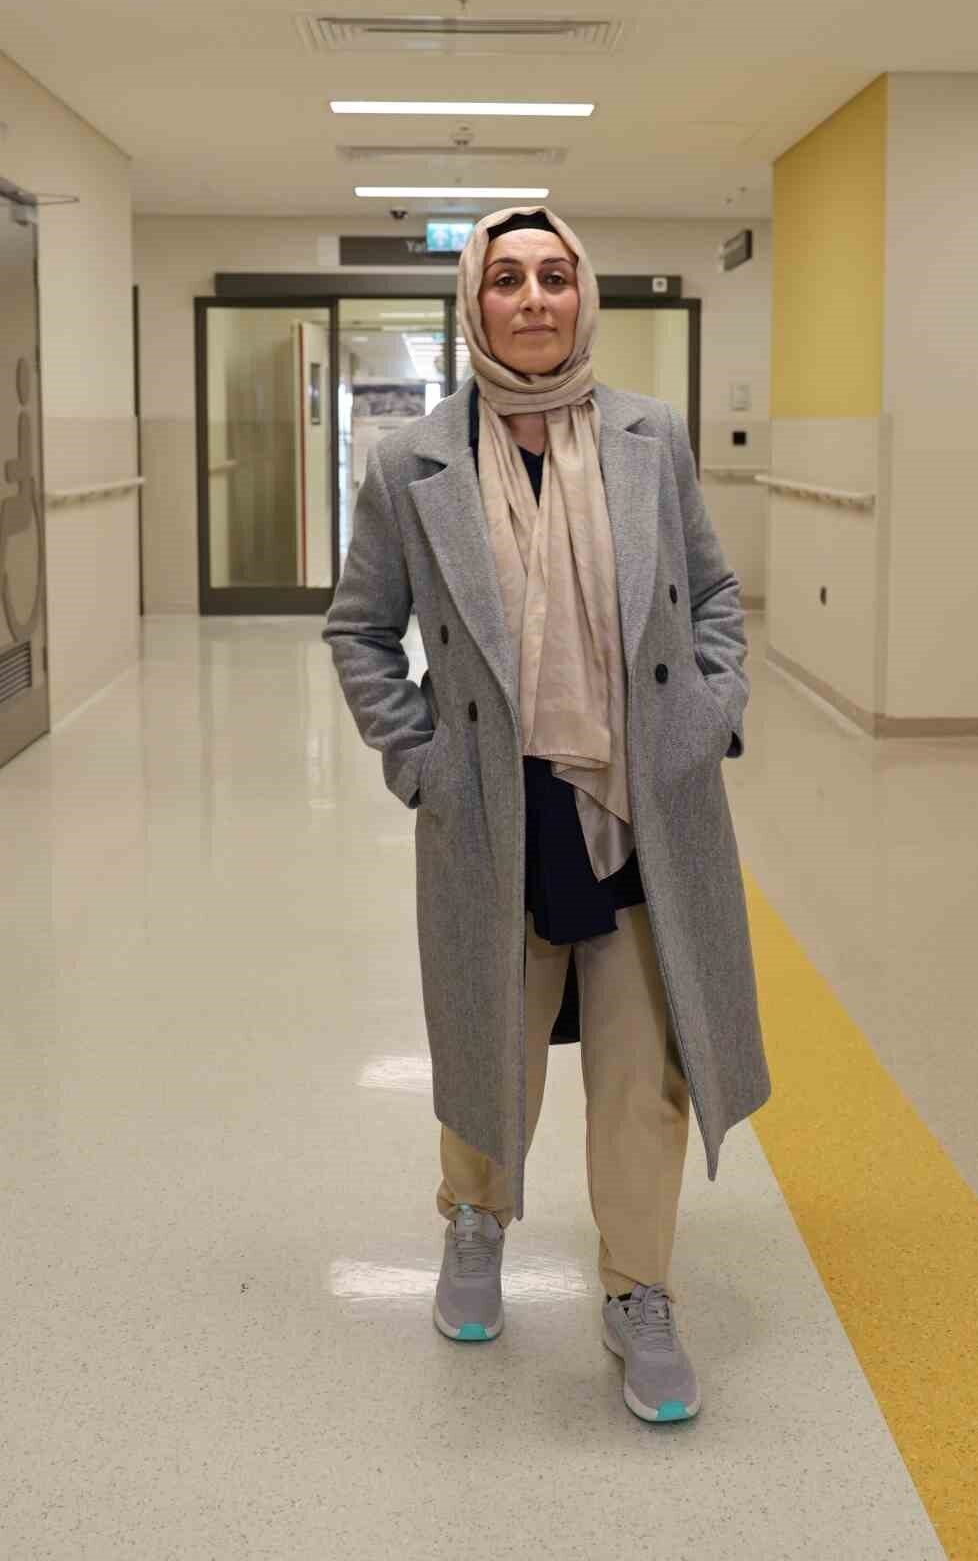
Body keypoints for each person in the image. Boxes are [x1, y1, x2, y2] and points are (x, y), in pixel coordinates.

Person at [323, 205, 770, 1424]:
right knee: (491, 1042)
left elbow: (712, 590)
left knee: (643, 1065)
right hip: (492, 807)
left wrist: (707, 711)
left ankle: (639, 1289)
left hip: (638, 808)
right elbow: (359, 632)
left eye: (555, 277)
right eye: (508, 278)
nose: (532, 299)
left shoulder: (647, 437)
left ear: (583, 298)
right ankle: (474, 1221)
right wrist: (421, 761)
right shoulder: (413, 462)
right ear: (474, 300)